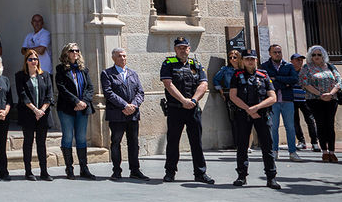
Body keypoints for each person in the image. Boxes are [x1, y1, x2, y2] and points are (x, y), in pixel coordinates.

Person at [160, 36, 213, 184]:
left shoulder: (196, 64)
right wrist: (183, 101)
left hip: (193, 109)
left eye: (185, 47)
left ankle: (200, 173)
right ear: (175, 49)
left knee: (196, 142)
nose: (183, 50)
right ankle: (170, 172)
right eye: (179, 47)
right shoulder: (168, 63)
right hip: (175, 109)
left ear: (189, 49)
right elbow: (168, 84)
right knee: (173, 141)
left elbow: (203, 85)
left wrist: (194, 100)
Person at [228, 49, 280, 189]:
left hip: (262, 114)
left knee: (267, 146)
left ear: (256, 60)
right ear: (243, 61)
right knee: (242, 146)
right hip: (243, 114)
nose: (250, 61)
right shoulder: (237, 75)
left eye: (252, 59)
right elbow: (233, 96)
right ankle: (241, 176)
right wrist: (248, 110)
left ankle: (271, 177)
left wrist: (256, 108)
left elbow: (273, 97)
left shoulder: (263, 75)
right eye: (247, 59)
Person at [100, 47, 148, 181]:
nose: (123, 58)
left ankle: (135, 170)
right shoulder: (107, 73)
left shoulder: (133, 73)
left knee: (133, 143)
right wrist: (125, 105)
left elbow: (140, 92)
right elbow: (108, 93)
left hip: (132, 115)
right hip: (117, 115)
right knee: (116, 142)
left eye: (125, 56)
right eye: (120, 56)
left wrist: (134, 105)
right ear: (113, 58)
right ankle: (116, 171)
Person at [53, 42, 95, 180]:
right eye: (72, 50)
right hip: (67, 108)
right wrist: (76, 101)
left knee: (81, 138)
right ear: (66, 53)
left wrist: (84, 102)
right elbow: (61, 88)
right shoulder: (60, 69)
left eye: (77, 50)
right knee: (68, 137)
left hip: (82, 109)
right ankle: (69, 168)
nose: (75, 53)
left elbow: (90, 87)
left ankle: (84, 168)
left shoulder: (83, 69)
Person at [299, 45, 342, 163]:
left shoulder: (330, 67)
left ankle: (332, 152)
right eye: (314, 55)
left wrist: (330, 94)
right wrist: (320, 94)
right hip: (315, 100)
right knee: (320, 124)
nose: (316, 57)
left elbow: (339, 82)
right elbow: (305, 83)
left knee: (330, 125)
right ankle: (324, 151)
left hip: (331, 100)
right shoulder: (307, 68)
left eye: (319, 55)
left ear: (323, 55)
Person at [14, 47, 53, 181]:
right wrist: (34, 110)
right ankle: (28, 171)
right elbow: (23, 95)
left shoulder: (45, 75)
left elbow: (49, 95)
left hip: (43, 115)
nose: (33, 61)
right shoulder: (20, 76)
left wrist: (42, 110)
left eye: (35, 59)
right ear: (26, 61)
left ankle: (44, 171)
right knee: (28, 142)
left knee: (41, 143)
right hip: (28, 114)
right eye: (30, 59)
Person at [260, 44, 301, 161]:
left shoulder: (288, 66)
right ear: (270, 53)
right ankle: (274, 151)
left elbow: (294, 79)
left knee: (290, 127)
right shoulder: (264, 66)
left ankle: (292, 152)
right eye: (275, 52)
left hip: (287, 100)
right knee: (273, 127)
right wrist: (284, 82)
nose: (277, 54)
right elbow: (265, 82)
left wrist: (276, 79)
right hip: (272, 101)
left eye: (279, 52)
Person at [289, 52, 320, 152]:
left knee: (310, 120)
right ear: (292, 61)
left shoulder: (306, 71)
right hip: (293, 100)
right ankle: (301, 141)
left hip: (305, 99)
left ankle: (314, 143)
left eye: (301, 60)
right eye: (297, 59)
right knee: (295, 121)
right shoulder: (289, 71)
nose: (300, 61)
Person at [213, 48, 244, 144]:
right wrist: (221, 91)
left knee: (244, 120)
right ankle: (237, 143)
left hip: (243, 95)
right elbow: (215, 79)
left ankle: (245, 143)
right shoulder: (226, 69)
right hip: (230, 95)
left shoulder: (243, 69)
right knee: (233, 119)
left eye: (234, 57)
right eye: (230, 58)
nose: (232, 59)